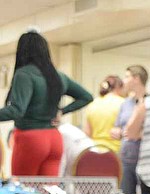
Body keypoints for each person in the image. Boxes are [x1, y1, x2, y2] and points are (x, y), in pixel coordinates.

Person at [0, 30, 92, 177]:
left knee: (25, 193)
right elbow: (86, 97)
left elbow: (16, 110)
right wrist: (62, 111)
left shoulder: (24, 74)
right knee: (49, 193)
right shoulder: (58, 76)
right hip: (54, 139)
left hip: (30, 139)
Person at [111, 65, 148, 194]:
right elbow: (118, 126)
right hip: (126, 157)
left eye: (127, 77)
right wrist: (116, 131)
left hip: (146, 158)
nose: (124, 80)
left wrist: (139, 134)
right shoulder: (125, 103)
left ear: (136, 79)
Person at [83, 75, 124, 152]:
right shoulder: (123, 103)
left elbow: (87, 134)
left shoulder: (93, 105)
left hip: (95, 150)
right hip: (116, 152)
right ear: (119, 87)